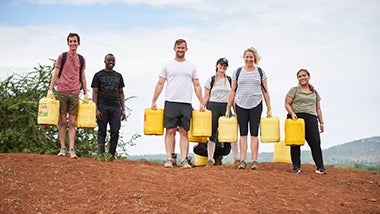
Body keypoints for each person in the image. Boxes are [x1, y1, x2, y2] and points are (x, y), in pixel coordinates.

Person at [151, 39, 204, 168]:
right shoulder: (167, 65)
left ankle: (184, 160)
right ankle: (169, 158)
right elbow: (160, 83)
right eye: (178, 47)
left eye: (183, 48)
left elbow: (197, 85)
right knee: (170, 131)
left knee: (184, 132)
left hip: (186, 103)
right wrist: (154, 100)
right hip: (171, 102)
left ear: (186, 49)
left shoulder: (191, 66)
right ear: (174, 48)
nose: (180, 50)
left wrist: (202, 102)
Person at [227, 47, 272, 170]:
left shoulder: (260, 72)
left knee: (254, 134)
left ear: (255, 58)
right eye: (247, 57)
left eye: (251, 57)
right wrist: (228, 107)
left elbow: (265, 90)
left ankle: (254, 160)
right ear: (244, 58)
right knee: (243, 134)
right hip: (240, 105)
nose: (249, 59)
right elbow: (232, 90)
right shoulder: (237, 72)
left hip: (256, 105)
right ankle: (242, 160)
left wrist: (269, 107)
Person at [48, 32, 88, 159]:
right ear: (67, 43)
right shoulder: (62, 57)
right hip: (62, 91)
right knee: (62, 121)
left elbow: (83, 77)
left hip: (75, 92)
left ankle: (71, 149)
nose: (73, 44)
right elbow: (56, 74)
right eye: (70, 41)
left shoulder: (81, 59)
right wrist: (50, 89)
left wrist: (86, 93)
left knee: (72, 122)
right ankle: (62, 149)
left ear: (79, 43)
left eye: (75, 41)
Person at [285, 68, 327, 174]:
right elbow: (287, 103)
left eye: (304, 75)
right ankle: (296, 167)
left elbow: (318, 108)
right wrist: (292, 113)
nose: (302, 78)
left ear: (308, 77)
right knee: (295, 143)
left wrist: (321, 122)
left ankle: (320, 167)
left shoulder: (314, 92)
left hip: (311, 117)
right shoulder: (294, 90)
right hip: (296, 118)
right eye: (300, 76)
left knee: (315, 142)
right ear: (297, 78)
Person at [200, 57, 239, 167]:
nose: (223, 67)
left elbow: (234, 97)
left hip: (226, 106)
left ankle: (237, 159)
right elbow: (206, 96)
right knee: (212, 133)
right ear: (217, 65)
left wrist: (235, 111)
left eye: (225, 65)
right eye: (221, 65)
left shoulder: (230, 80)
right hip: (213, 106)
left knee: (232, 132)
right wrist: (202, 105)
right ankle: (210, 160)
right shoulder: (211, 80)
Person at [91, 54, 126, 162]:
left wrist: (123, 109)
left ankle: (111, 156)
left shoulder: (118, 76)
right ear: (104, 61)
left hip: (115, 107)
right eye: (109, 60)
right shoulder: (98, 75)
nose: (111, 62)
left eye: (113, 60)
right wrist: (96, 108)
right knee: (102, 130)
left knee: (115, 131)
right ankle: (101, 155)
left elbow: (121, 92)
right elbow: (95, 92)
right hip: (102, 106)